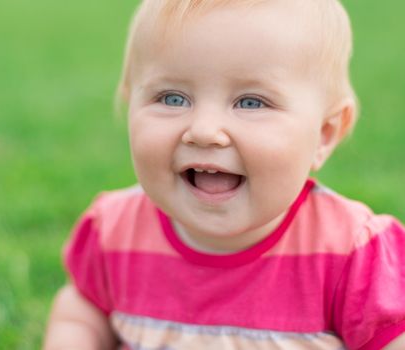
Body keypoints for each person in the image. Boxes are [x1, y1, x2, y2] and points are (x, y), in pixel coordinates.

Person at [43, 0, 405, 349]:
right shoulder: (113, 231)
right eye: (172, 98)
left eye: (251, 102)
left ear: (323, 134)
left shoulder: (352, 253)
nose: (203, 130)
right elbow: (83, 311)